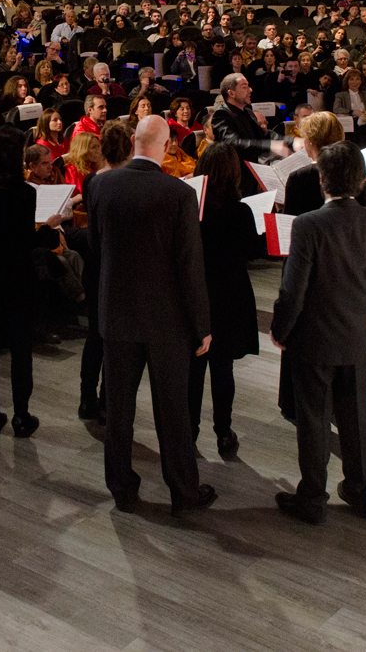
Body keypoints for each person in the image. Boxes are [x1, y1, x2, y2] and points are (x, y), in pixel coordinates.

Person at [87, 115, 214, 515]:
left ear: (133, 142)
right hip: (166, 321)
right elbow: (189, 266)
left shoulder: (100, 185)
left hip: (117, 314)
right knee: (173, 411)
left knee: (119, 410)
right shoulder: (179, 193)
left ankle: (122, 489)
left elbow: (96, 249)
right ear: (168, 145)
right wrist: (202, 324)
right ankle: (183, 492)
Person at [270, 142, 366, 524]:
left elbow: (293, 290)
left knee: (314, 421)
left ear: (322, 179)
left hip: (314, 338)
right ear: (361, 179)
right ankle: (360, 489)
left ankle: (312, 498)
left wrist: (280, 329)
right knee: (357, 419)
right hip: (356, 335)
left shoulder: (307, 224)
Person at [0, 129, 51, 438]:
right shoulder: (25, 193)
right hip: (17, 277)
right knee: (20, 349)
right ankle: (21, 415)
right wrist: (48, 229)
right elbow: (25, 241)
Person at [186, 143, 259, 455]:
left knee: (194, 369)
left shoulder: (192, 208)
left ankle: (188, 432)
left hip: (197, 293)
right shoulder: (241, 211)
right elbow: (251, 252)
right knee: (223, 368)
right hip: (230, 294)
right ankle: (224, 432)